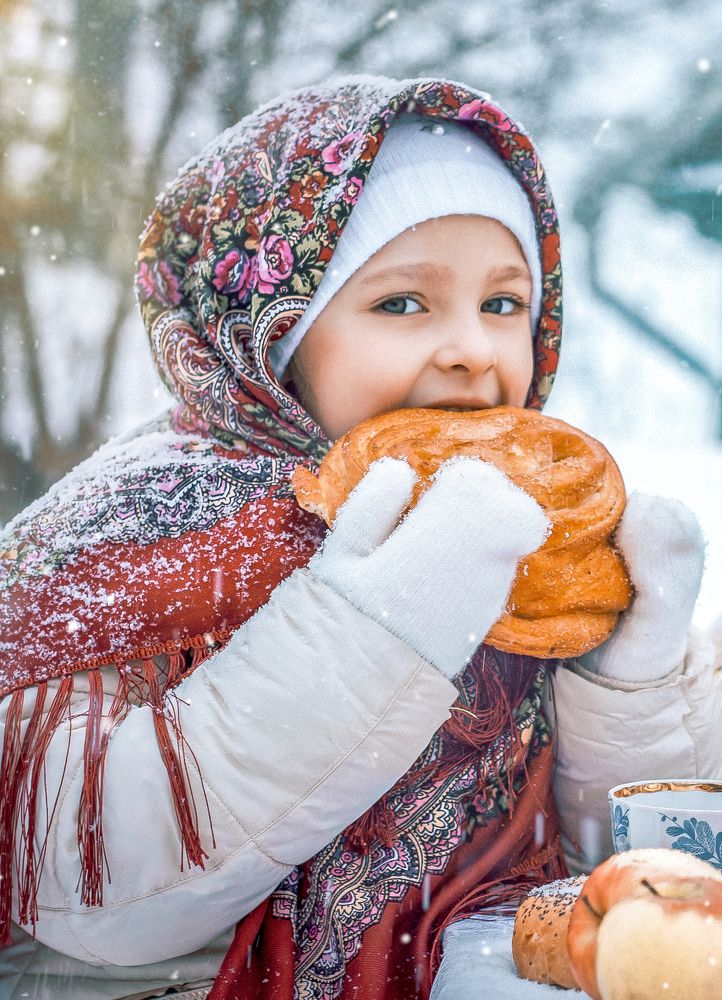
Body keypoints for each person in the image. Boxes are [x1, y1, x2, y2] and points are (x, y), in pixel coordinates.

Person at [0, 76, 719, 1000]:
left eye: (504, 305)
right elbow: (92, 901)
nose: (471, 348)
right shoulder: (135, 535)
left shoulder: (551, 543)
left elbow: (607, 885)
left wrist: (631, 680)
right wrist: (379, 625)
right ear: (275, 337)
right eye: (403, 304)